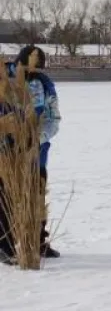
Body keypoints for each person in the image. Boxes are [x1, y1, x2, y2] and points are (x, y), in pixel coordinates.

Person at [1, 46, 62, 262]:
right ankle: (4, 246)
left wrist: (36, 138)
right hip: (5, 156)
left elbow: (53, 118)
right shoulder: (2, 81)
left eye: (35, 70)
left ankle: (38, 242)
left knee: (36, 198)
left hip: (36, 154)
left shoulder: (44, 85)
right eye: (26, 68)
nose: (30, 73)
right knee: (5, 199)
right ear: (17, 63)